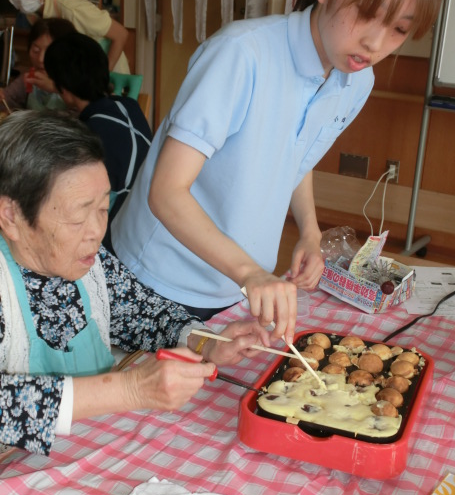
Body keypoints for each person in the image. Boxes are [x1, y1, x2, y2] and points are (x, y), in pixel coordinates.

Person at [111, 0, 444, 345]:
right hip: (159, 280)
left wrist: (309, 230)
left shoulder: (356, 79)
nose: (376, 44)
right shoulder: (242, 54)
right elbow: (166, 192)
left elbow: (295, 156)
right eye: (367, 13)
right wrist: (251, 274)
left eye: (398, 29)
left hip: (235, 287)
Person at [0, 111, 270, 457]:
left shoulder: (91, 261)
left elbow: (144, 314)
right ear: (11, 216)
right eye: (79, 216)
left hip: (89, 449)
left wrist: (207, 343)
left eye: (103, 208)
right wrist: (130, 389)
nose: (97, 231)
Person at [44, 32, 152, 252]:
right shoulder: (129, 106)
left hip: (112, 243)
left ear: (63, 88)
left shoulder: (87, 137)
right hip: (146, 228)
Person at [0, 17, 76, 112]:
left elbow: (86, 111)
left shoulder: (78, 82)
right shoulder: (29, 79)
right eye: (36, 51)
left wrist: (56, 88)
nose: (41, 59)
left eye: (50, 52)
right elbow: (6, 101)